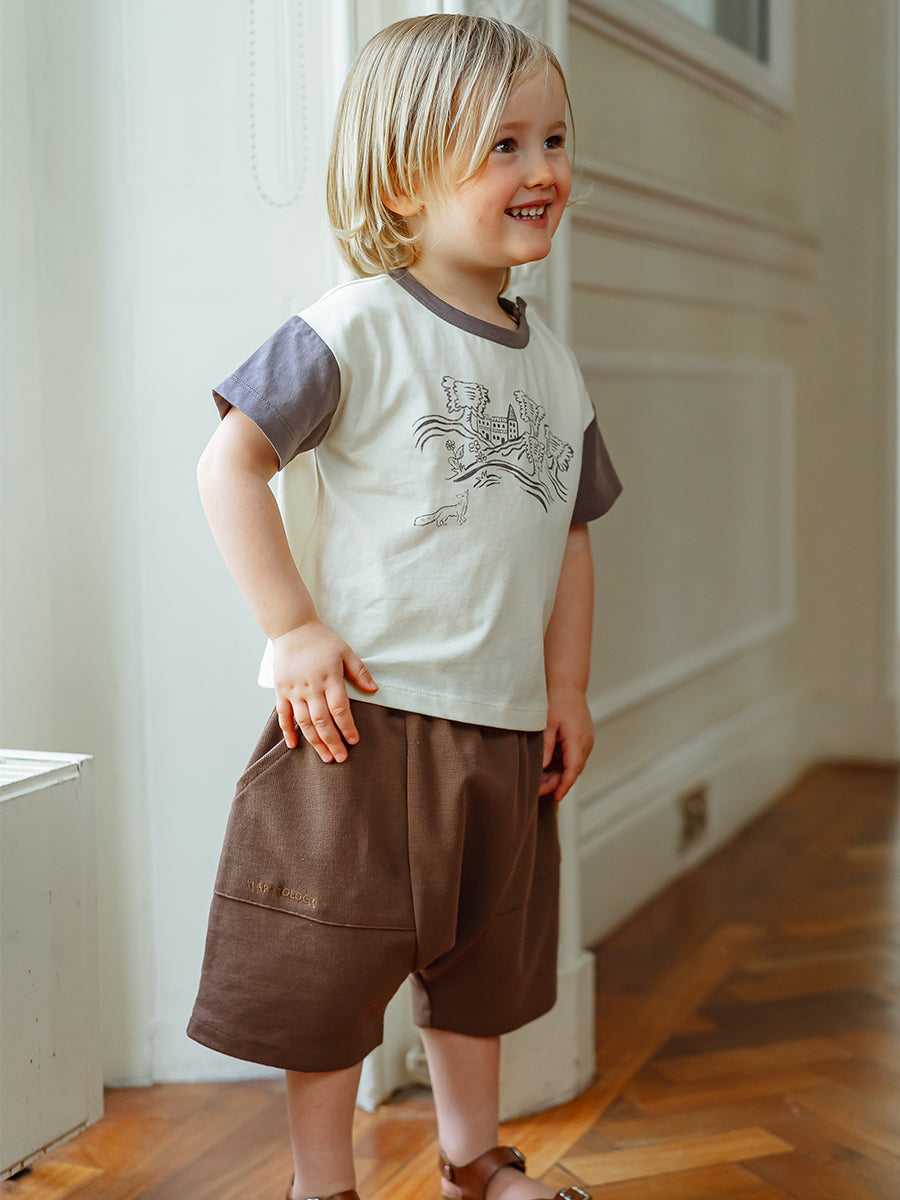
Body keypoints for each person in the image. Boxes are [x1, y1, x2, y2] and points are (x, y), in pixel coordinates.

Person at [188, 14, 621, 1200]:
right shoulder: (354, 328)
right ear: (400, 178)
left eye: (553, 140)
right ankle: (321, 1183)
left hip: (503, 726)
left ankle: (474, 1163)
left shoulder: (556, 366)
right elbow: (229, 465)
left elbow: (571, 533)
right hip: (363, 726)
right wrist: (292, 628)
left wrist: (567, 686)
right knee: (325, 977)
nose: (542, 169)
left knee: (481, 971)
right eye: (503, 146)